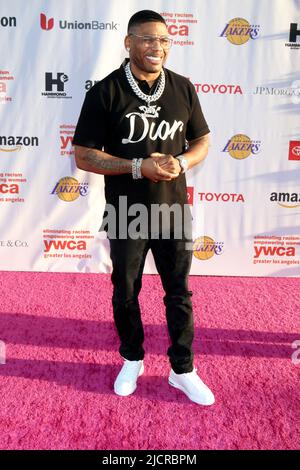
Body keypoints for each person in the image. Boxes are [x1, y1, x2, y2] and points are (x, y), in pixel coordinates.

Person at [73, 10, 214, 405]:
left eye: (165, 40)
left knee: (179, 293)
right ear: (129, 42)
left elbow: (201, 140)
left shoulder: (183, 88)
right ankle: (132, 358)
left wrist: (181, 163)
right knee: (125, 291)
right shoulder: (106, 91)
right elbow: (84, 155)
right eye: (149, 39)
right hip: (126, 210)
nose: (158, 47)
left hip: (172, 211)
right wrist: (138, 166)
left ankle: (182, 369)